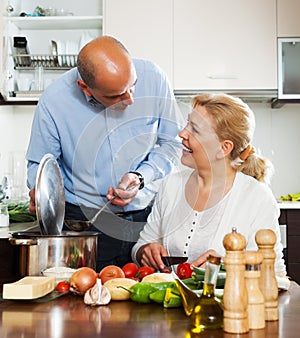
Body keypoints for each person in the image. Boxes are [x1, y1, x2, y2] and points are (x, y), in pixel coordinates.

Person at [26, 36, 184, 271]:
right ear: (85, 88)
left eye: (133, 86)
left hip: (147, 220)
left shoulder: (154, 78)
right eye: (116, 95)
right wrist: (41, 193)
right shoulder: (54, 101)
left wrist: (141, 177)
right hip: (84, 225)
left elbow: (173, 144)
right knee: (84, 299)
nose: (130, 99)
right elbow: (39, 165)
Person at [132, 93, 286, 277]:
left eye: (194, 130)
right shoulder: (170, 185)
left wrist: (228, 268)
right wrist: (145, 251)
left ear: (224, 148)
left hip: (228, 305)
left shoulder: (257, 197)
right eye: (187, 124)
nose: (182, 133)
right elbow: (141, 246)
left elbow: (276, 275)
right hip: (171, 304)